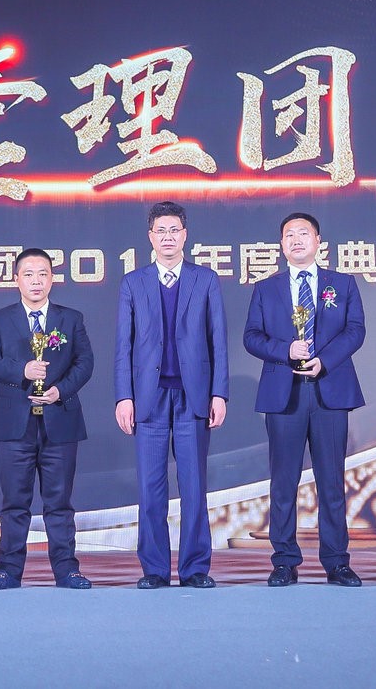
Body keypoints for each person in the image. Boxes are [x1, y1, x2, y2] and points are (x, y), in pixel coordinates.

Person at [242, 212, 366, 587]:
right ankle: (284, 561)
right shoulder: (266, 289)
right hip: (285, 395)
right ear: (281, 245)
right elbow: (252, 337)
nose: (297, 240)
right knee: (283, 483)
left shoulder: (341, 284)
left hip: (330, 390)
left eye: (304, 233)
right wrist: (286, 350)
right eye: (289, 235)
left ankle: (337, 562)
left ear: (318, 241)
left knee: (332, 483)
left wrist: (324, 360)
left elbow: (355, 330)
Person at [115, 200, 229, 589]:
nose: (168, 237)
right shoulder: (133, 282)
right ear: (150, 237)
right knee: (151, 490)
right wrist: (124, 396)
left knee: (194, 487)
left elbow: (218, 340)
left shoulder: (205, 279)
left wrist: (219, 393)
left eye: (174, 230)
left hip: (193, 397)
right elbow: (124, 345)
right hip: (148, 399)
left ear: (185, 235)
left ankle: (195, 569)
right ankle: (155, 570)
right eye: (160, 231)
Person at [0, 248, 95, 590]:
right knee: (14, 502)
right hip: (14, 423)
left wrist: (61, 391)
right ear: (16, 279)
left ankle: (67, 570)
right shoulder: (0, 319)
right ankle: (8, 571)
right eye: (28, 274)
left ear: (52, 279)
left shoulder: (70, 318)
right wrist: (22, 371)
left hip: (60, 419)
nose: (36, 281)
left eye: (43, 274)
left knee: (59, 503)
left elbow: (85, 362)